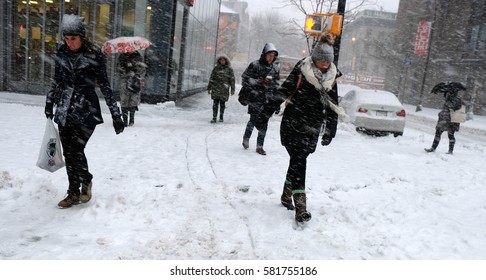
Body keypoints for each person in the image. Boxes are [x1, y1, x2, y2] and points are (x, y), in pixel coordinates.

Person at [255, 34, 342, 223]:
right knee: (299, 161)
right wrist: (265, 114)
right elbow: (283, 91)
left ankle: (286, 194)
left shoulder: (332, 78)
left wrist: (330, 130)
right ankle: (301, 206)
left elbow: (333, 105)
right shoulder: (302, 71)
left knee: (297, 162)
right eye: (321, 61)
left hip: (312, 126)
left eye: (327, 62)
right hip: (293, 123)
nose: (324, 65)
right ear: (314, 58)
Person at [44, 14, 125, 208]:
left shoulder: (94, 55)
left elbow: (105, 85)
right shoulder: (61, 52)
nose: (69, 42)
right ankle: (73, 193)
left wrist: (116, 114)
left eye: (73, 38)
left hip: (86, 109)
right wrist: (50, 100)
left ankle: (86, 179)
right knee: (69, 153)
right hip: (65, 108)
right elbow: (57, 79)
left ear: (82, 36)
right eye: (67, 38)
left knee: (76, 149)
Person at [241, 43, 280, 155]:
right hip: (255, 97)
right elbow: (245, 79)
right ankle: (246, 137)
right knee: (253, 120)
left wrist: (276, 103)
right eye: (269, 55)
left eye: (273, 56)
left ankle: (260, 146)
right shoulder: (255, 65)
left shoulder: (275, 68)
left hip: (268, 100)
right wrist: (259, 82)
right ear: (264, 54)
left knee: (264, 122)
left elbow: (277, 86)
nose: (271, 58)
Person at [424, 85, 464, 154]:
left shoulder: (456, 99)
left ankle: (449, 150)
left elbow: (454, 109)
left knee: (449, 135)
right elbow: (446, 107)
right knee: (439, 133)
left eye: (451, 91)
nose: (450, 92)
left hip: (450, 120)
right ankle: (434, 148)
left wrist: (448, 99)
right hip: (445, 119)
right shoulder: (450, 97)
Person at [118, 50, 146, 127]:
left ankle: (132, 119)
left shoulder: (138, 58)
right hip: (124, 82)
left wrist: (135, 72)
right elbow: (119, 70)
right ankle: (125, 119)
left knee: (133, 100)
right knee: (124, 100)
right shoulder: (122, 58)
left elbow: (142, 71)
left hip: (135, 82)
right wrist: (127, 70)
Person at [207, 54, 235, 123]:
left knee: (222, 104)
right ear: (219, 61)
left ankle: (221, 117)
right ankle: (214, 117)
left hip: (224, 89)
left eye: (223, 60)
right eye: (221, 60)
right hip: (216, 88)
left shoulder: (229, 69)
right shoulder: (216, 68)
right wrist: (209, 87)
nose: (222, 61)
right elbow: (212, 78)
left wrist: (232, 89)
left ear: (226, 61)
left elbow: (232, 80)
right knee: (215, 104)